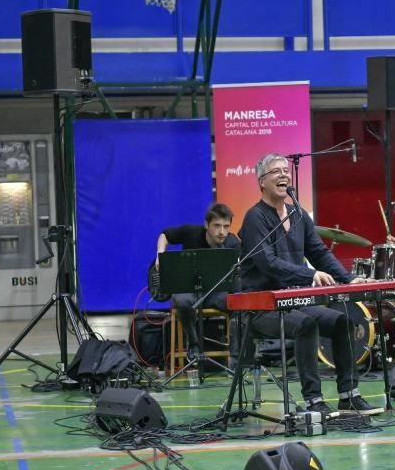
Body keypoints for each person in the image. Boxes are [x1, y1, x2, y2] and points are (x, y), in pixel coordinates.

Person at [240, 154, 381, 416]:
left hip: (296, 301)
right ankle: (314, 401)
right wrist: (309, 275)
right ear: (261, 182)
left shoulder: (298, 213)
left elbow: (319, 252)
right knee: (306, 325)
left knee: (343, 323)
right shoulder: (254, 218)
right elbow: (267, 263)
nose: (284, 175)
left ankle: (349, 396)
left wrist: (347, 279)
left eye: (286, 170)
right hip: (262, 307)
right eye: (276, 172)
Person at [156, 203, 240, 355]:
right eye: (217, 226)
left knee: (239, 304)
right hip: (189, 291)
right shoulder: (191, 232)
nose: (222, 232)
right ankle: (193, 343)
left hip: (216, 293)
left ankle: (236, 353)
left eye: (226, 227)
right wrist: (159, 257)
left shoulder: (233, 244)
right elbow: (165, 235)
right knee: (182, 301)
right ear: (206, 224)